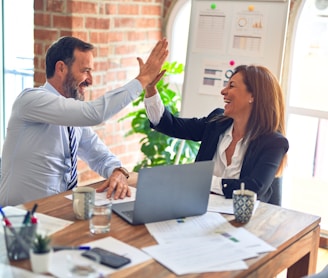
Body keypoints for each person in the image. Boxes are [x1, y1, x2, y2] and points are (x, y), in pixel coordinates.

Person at [0, 36, 168, 206]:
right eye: (85, 70)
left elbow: (99, 155)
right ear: (61, 68)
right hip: (18, 218)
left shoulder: (72, 117)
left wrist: (117, 171)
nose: (90, 80)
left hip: (57, 211)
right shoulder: (31, 100)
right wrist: (143, 79)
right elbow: (94, 114)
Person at [144, 64, 289, 204]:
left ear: (253, 96)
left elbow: (253, 189)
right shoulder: (217, 122)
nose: (223, 91)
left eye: (231, 85)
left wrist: (203, 180)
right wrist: (150, 89)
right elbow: (171, 125)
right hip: (200, 210)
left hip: (244, 220)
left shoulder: (273, 142)